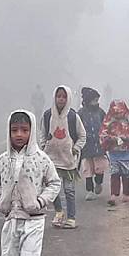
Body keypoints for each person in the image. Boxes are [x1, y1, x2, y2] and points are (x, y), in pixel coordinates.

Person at [0, 110, 62, 256]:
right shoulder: (3, 159)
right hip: (11, 218)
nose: (19, 134)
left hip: (34, 219)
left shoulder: (41, 159)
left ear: (31, 131)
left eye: (24, 130)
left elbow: (54, 183)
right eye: (14, 130)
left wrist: (40, 201)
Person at [39, 86, 86, 229]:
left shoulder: (73, 117)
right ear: (54, 97)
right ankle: (59, 212)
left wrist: (76, 148)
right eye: (58, 96)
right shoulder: (47, 115)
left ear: (68, 99)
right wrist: (43, 147)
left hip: (68, 161)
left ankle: (71, 218)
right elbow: (42, 133)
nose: (61, 99)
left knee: (69, 190)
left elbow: (82, 136)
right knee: (53, 189)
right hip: (51, 160)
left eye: (64, 97)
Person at [100, 100, 129, 206]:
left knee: (126, 174)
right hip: (114, 152)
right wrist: (109, 139)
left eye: (120, 112)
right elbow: (103, 133)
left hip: (126, 152)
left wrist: (127, 138)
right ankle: (114, 195)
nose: (118, 115)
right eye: (115, 112)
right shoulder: (108, 120)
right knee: (115, 174)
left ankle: (126, 194)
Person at [78, 87, 108, 201]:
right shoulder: (81, 113)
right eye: (94, 100)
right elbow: (76, 128)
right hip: (86, 146)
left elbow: (107, 124)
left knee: (100, 167)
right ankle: (89, 191)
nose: (96, 102)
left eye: (97, 100)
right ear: (87, 100)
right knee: (88, 169)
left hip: (99, 146)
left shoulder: (100, 112)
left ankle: (98, 182)